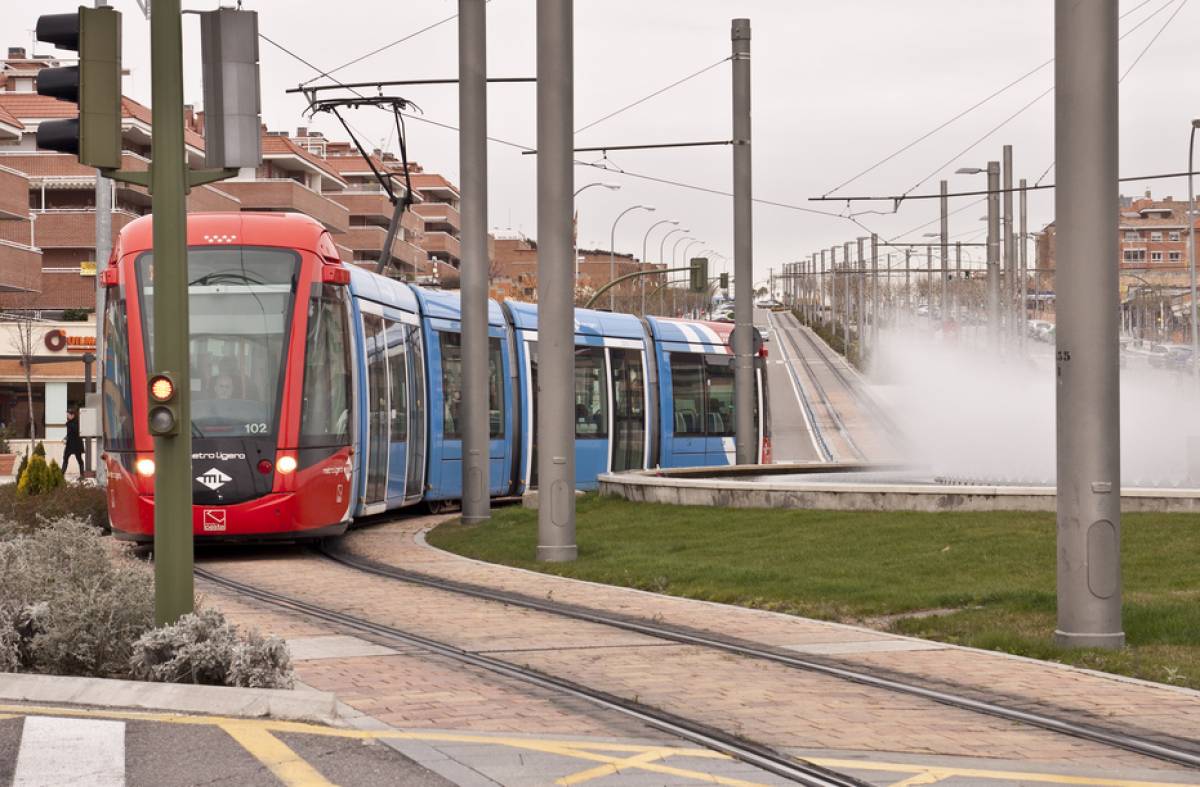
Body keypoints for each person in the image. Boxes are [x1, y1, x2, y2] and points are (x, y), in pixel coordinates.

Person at [62, 407, 85, 477]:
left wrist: (69, 424)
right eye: (67, 414)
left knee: (79, 459)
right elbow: (70, 433)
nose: (67, 416)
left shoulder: (76, 422)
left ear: (73, 415)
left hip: (76, 444)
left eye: (68, 414)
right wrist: (65, 437)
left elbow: (76, 431)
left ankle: (82, 475)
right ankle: (61, 474)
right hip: (69, 444)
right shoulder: (69, 423)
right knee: (65, 458)